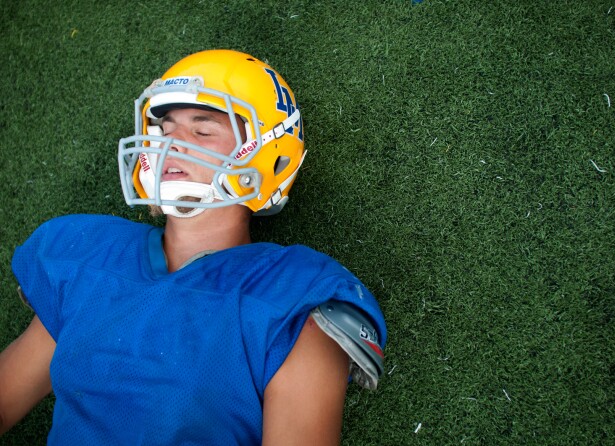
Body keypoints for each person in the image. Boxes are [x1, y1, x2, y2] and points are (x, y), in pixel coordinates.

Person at [0, 49, 386, 445]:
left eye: (202, 131)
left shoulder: (294, 296)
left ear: (266, 151)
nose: (172, 146)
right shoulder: (86, 256)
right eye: (164, 131)